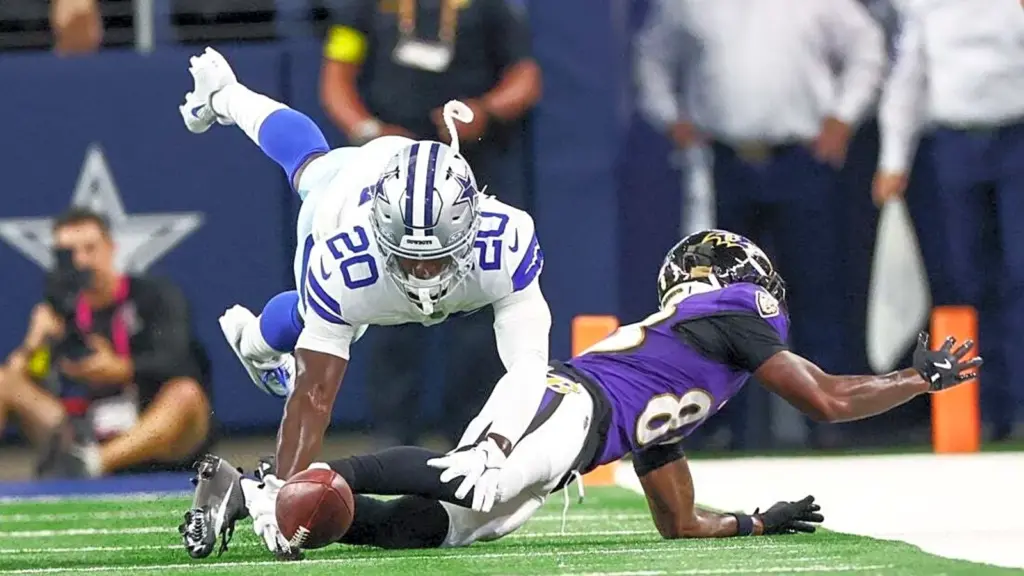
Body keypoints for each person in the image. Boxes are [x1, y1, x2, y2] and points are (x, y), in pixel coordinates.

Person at [181, 229, 980, 558]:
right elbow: (830, 401)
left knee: (442, 530)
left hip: (573, 429)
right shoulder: (732, 314)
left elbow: (676, 522)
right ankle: (266, 485)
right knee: (477, 476)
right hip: (562, 405)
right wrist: (920, 380)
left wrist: (754, 521)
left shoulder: (684, 375)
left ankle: (311, 511)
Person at [177, 45, 550, 529]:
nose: (424, 275)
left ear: (470, 227)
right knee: (312, 176)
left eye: (435, 257)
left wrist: (496, 444)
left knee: (312, 165)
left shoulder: (507, 240)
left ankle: (225, 94)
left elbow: (527, 364)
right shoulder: (346, 253)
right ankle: (256, 344)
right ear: (380, 232)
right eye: (409, 258)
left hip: (396, 187)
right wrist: (283, 490)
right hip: (343, 192)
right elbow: (314, 394)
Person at [634, 0, 886, 449]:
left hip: (802, 159)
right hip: (726, 161)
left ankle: (827, 424)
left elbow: (867, 47)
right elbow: (653, 53)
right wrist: (670, 116)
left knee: (816, 290)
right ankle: (730, 427)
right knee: (718, 302)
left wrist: (845, 115)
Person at [319, 0, 542, 447]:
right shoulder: (364, 9)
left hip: (468, 167)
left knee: (480, 300)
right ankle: (392, 435)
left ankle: (476, 431)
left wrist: (487, 109)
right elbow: (335, 78)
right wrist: (367, 130)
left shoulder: (489, 7)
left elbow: (525, 77)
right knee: (388, 294)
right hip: (391, 168)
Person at [873, 0, 1024, 441]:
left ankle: (1018, 403)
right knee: (963, 280)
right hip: (954, 144)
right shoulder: (926, 9)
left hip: (1017, 139)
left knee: (1020, 276)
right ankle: (978, 411)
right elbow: (907, 83)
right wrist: (893, 161)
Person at [0, 208, 214, 478]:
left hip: (153, 431)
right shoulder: (56, 311)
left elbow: (180, 359)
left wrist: (122, 368)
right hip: (80, 430)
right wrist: (33, 343)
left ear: (111, 247)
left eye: (90, 248)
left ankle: (92, 463)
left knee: (186, 393)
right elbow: (20, 378)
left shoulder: (156, 295)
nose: (82, 260)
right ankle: (82, 460)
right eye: (69, 254)